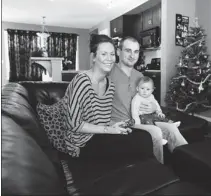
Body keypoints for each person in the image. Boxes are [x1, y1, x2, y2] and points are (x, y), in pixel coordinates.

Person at [63, 34, 144, 158]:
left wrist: (113, 125)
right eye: (104, 54)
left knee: (143, 139)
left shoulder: (110, 85)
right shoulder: (82, 81)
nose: (109, 59)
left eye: (112, 54)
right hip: (79, 143)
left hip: (99, 136)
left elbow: (101, 120)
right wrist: (108, 130)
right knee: (136, 145)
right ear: (94, 57)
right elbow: (73, 124)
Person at [110, 36, 188, 164]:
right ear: (118, 52)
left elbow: (148, 98)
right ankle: (158, 169)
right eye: (128, 50)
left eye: (136, 51)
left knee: (172, 129)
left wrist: (152, 107)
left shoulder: (140, 76)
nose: (132, 55)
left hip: (144, 120)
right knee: (156, 131)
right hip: (124, 123)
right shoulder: (109, 73)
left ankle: (189, 163)